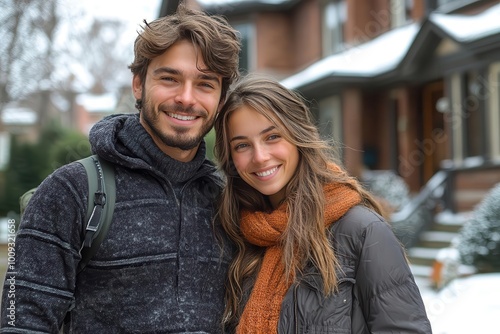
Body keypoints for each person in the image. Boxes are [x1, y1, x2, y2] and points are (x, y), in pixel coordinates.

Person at [1, 3, 240, 333]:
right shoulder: (72, 191)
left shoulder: (227, 200)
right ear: (138, 85)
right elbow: (20, 321)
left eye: (205, 84)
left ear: (221, 99)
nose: (186, 98)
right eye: (170, 78)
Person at [213, 74, 432, 333]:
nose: (260, 157)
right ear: (231, 158)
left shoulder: (361, 230)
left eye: (272, 137)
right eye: (242, 145)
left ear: (298, 136)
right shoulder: (233, 234)